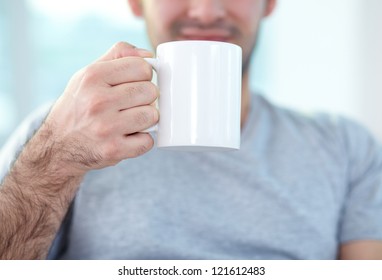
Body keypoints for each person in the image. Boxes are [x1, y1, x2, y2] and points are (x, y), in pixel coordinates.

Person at [0, 0, 382, 260]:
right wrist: (55, 160)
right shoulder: (58, 131)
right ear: (137, 3)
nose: (205, 11)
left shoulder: (344, 146)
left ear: (269, 4)